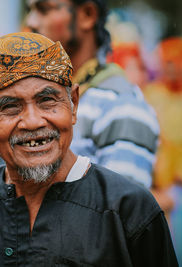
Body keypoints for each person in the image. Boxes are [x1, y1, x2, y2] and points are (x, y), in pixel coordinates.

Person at [0, 32, 177, 266]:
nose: (33, 121)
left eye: (47, 101)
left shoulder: (130, 210)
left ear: (74, 104)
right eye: (10, 107)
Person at [25, 0, 159, 189]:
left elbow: (121, 211)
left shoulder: (122, 105)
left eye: (44, 10)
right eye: (30, 10)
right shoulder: (41, 95)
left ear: (87, 15)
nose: (31, 21)